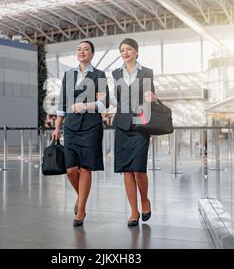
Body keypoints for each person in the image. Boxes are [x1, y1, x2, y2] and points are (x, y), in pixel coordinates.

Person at [52, 41, 109, 227]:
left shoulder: (99, 75)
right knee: (70, 170)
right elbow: (62, 104)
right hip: (70, 127)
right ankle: (81, 198)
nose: (82, 52)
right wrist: (57, 127)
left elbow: (103, 105)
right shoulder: (69, 75)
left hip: (91, 127)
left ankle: (81, 209)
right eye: (79, 49)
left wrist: (85, 105)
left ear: (92, 53)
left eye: (86, 49)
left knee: (85, 168)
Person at [108, 38, 157, 226]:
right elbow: (117, 100)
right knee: (126, 170)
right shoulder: (115, 73)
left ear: (136, 51)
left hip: (140, 125)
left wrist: (152, 97)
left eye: (129, 49)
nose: (125, 52)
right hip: (122, 124)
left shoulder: (147, 72)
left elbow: (151, 97)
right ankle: (134, 211)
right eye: (122, 50)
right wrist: (105, 98)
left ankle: (144, 200)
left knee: (138, 169)